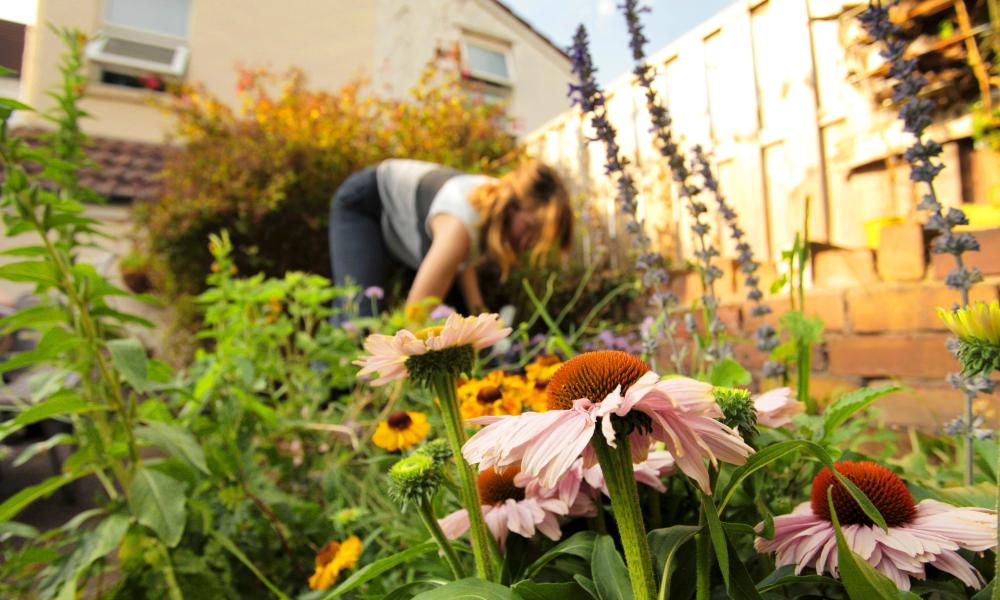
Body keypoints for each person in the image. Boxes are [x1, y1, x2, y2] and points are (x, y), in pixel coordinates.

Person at [328, 159, 573, 318]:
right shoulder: (460, 222)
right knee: (355, 317)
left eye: (539, 238)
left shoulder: (489, 206)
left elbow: (462, 264)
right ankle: (323, 396)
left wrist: (480, 317)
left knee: (461, 317)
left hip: (404, 226)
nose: (529, 242)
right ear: (511, 208)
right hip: (364, 204)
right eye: (530, 228)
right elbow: (416, 313)